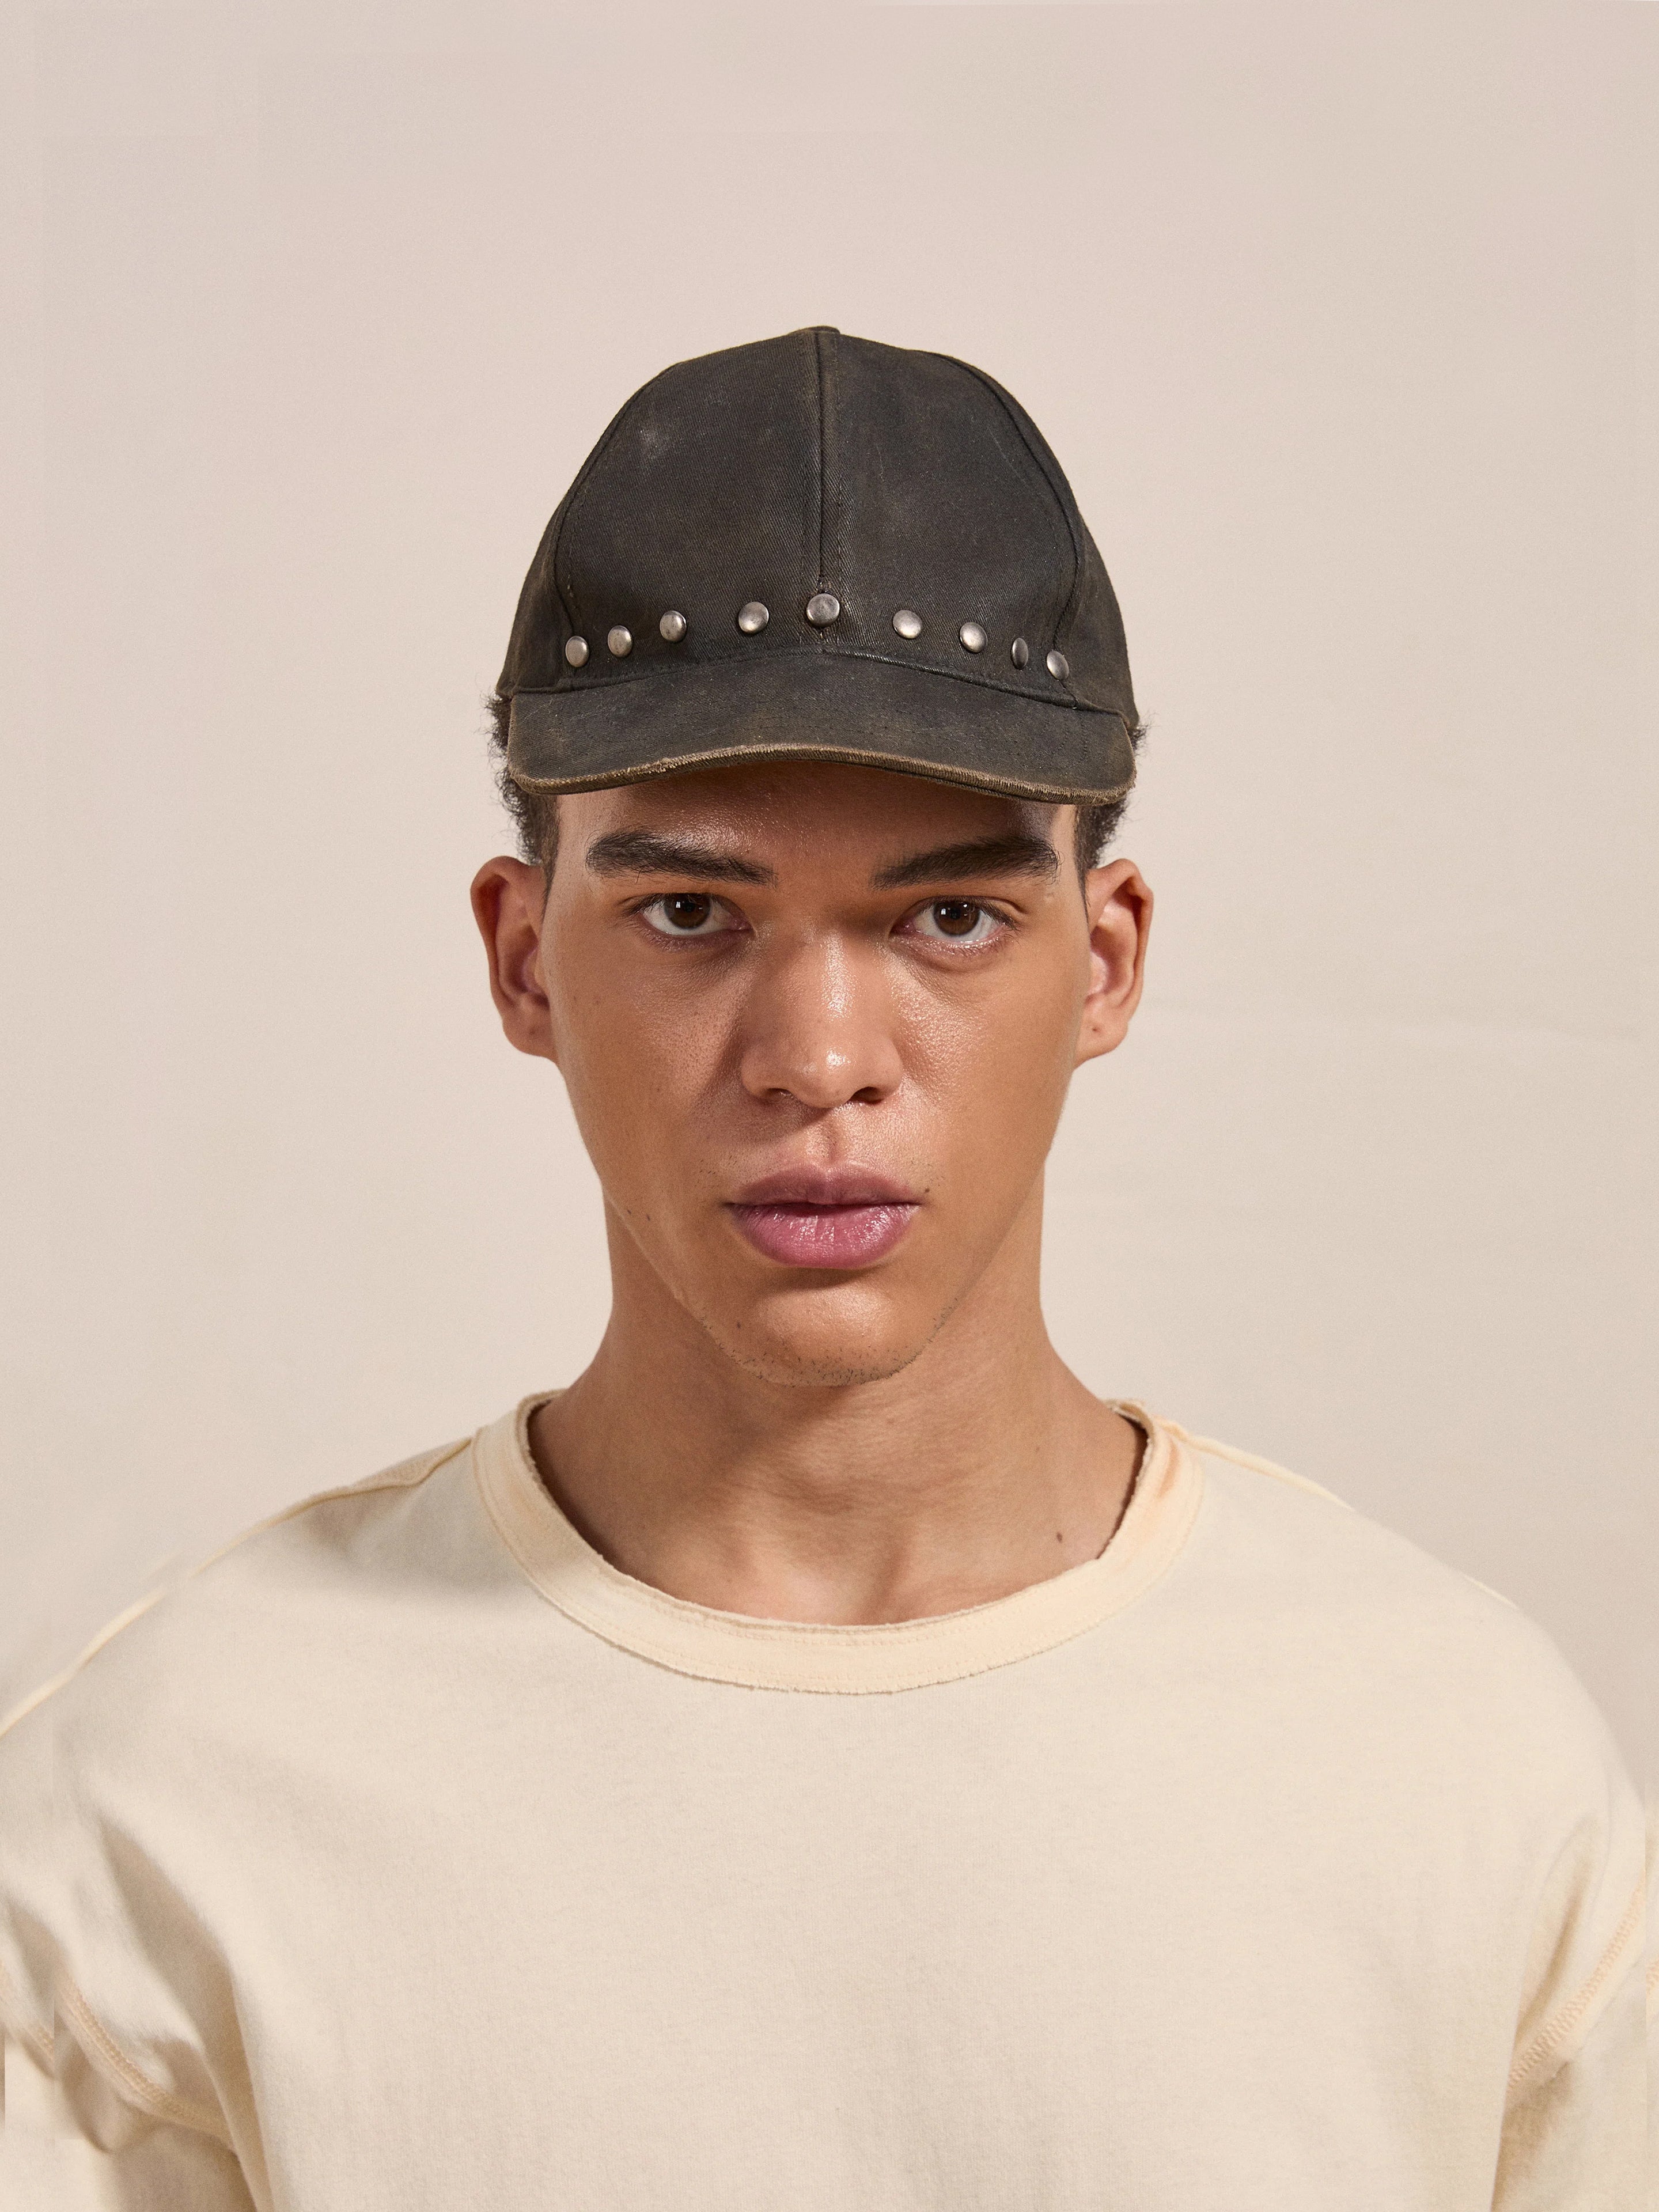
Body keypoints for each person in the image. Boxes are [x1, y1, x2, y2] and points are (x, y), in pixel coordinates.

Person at [0, 328, 1646, 2210]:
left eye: (949, 917)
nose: (818, 1053)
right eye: (691, 914)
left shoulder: (1450, 1774)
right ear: (525, 957)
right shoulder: (162, 1800)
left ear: (1101, 961)